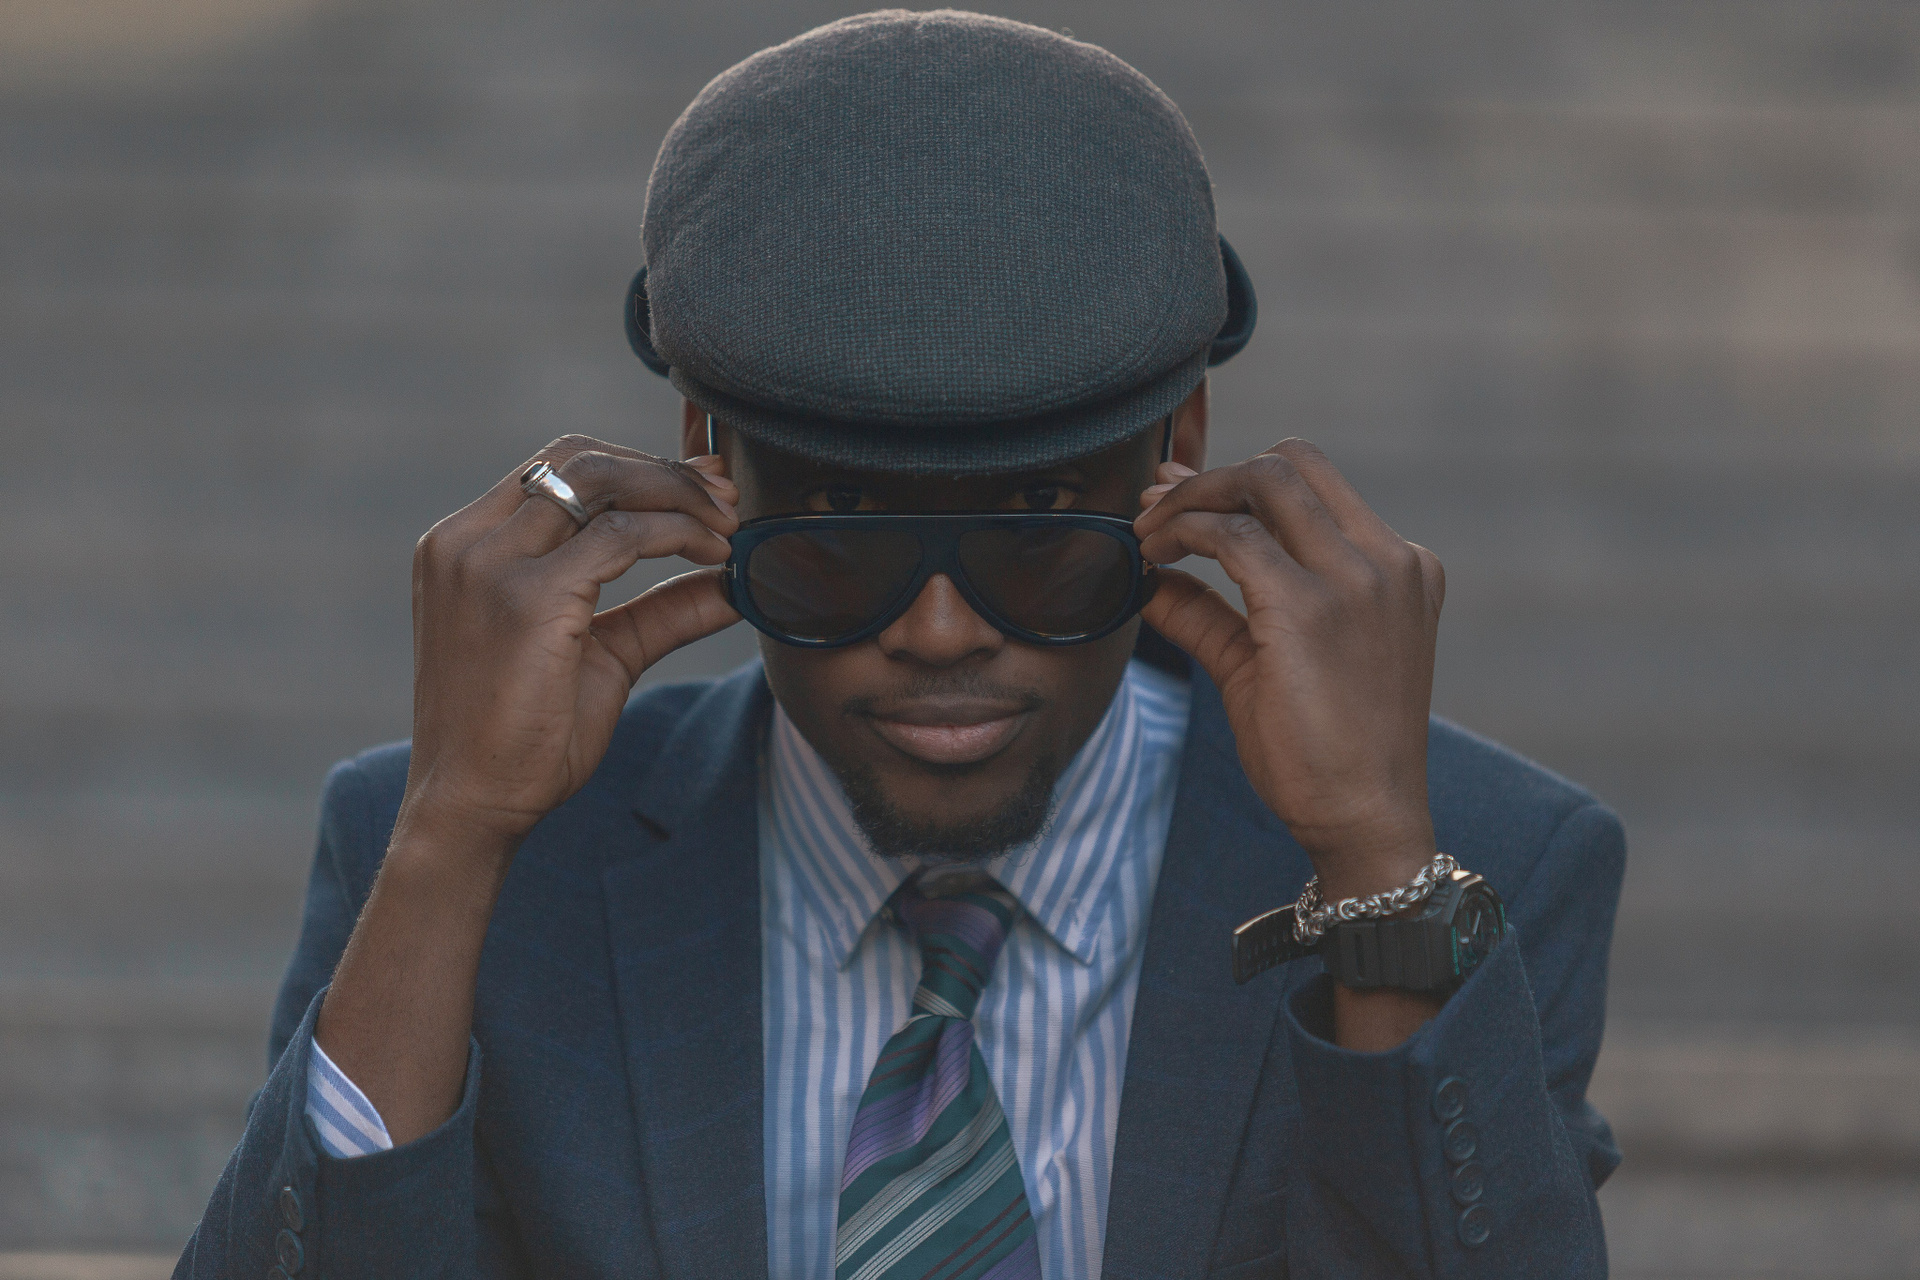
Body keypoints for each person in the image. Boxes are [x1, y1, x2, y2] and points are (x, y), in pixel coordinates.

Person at [177, 11, 1622, 1279]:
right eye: (845, 530)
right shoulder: (460, 862)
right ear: (707, 453)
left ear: (1179, 445)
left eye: (1036, 529)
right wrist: (451, 837)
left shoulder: (1480, 858)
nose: (939, 631)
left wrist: (1371, 867)